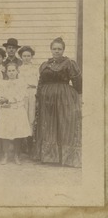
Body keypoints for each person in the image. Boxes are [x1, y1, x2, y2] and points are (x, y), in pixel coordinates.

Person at [33, 37, 82, 167]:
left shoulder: (69, 63)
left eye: (59, 49)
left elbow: (77, 82)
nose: (57, 51)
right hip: (47, 99)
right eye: (54, 49)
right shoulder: (45, 65)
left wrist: (78, 96)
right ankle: (49, 157)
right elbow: (40, 82)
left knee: (64, 124)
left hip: (64, 97)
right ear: (51, 50)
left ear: (63, 50)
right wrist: (38, 97)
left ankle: (65, 158)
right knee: (49, 125)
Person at [0, 63, 31, 165]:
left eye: (13, 70)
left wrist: (9, 99)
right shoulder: (2, 83)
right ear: (6, 72)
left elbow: (21, 96)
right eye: (9, 71)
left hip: (18, 110)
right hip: (6, 110)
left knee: (18, 132)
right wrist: (1, 101)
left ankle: (16, 155)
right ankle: (5, 155)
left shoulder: (21, 83)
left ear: (17, 71)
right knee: (5, 132)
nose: (11, 73)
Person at [17, 46, 39, 156]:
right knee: (22, 117)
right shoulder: (18, 69)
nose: (26, 58)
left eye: (28, 56)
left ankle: (31, 146)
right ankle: (21, 146)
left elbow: (39, 82)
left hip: (32, 93)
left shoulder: (36, 69)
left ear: (32, 56)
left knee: (32, 117)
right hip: (22, 94)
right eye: (24, 56)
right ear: (21, 57)